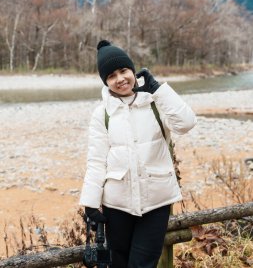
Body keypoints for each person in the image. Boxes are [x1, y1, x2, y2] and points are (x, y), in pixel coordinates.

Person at [80, 40, 197, 268]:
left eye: (124, 71)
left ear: (133, 71)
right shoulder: (102, 113)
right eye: (112, 75)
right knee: (119, 263)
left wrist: (159, 90)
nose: (120, 79)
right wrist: (91, 202)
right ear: (106, 81)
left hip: (156, 202)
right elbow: (96, 161)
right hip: (117, 204)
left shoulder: (155, 102)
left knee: (142, 264)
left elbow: (186, 123)